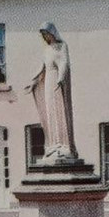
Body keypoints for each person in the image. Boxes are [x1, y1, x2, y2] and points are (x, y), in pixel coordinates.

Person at [25, 21, 77, 161]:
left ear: (52, 33)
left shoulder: (62, 46)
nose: (45, 37)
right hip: (48, 81)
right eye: (43, 35)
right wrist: (33, 83)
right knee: (50, 113)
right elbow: (42, 68)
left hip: (56, 81)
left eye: (46, 34)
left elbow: (64, 62)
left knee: (59, 111)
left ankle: (63, 145)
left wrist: (61, 77)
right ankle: (53, 144)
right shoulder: (47, 50)